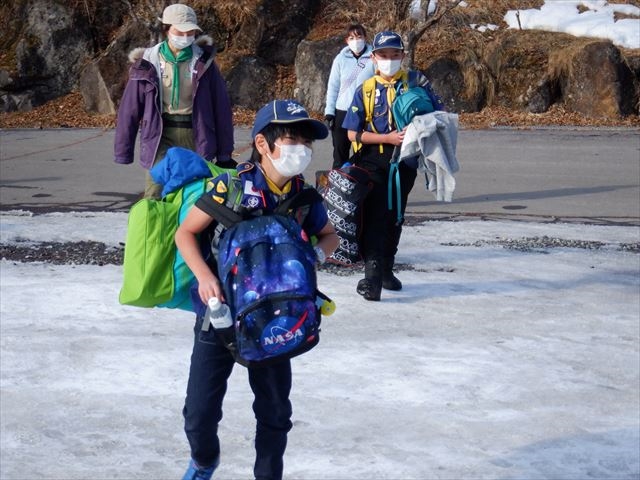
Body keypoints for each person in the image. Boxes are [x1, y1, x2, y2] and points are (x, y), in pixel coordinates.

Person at [174, 99, 339, 480]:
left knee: (275, 414)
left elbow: (329, 236)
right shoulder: (229, 188)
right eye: (291, 139)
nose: (301, 149)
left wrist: (316, 253)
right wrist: (204, 276)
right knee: (198, 415)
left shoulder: (304, 198)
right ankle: (203, 460)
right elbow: (185, 233)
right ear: (262, 143)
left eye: (306, 141)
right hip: (219, 317)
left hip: (276, 320)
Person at [342, 30, 444, 301]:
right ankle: (372, 277)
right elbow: (352, 133)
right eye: (383, 55)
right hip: (372, 159)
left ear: (403, 56)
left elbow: (439, 116)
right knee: (375, 214)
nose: (389, 60)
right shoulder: (365, 89)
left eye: (394, 55)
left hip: (405, 161)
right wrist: (385, 137)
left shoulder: (415, 84)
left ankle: (387, 269)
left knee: (395, 214)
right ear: (373, 57)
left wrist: (420, 124)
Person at [114, 3, 234, 199]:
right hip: (160, 134)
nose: (185, 37)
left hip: (197, 135)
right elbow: (130, 109)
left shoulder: (205, 63)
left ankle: (189, 231)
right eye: (180, 32)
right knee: (155, 191)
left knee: (196, 194)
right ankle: (153, 228)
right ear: (166, 29)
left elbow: (221, 110)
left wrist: (224, 154)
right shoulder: (147, 63)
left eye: (191, 33)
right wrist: (123, 150)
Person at [324, 23, 375, 169]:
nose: (356, 40)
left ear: (365, 37)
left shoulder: (373, 58)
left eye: (359, 36)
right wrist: (329, 112)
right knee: (340, 152)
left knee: (363, 153)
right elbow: (333, 87)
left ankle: (361, 185)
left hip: (365, 111)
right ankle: (338, 185)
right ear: (347, 40)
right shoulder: (340, 59)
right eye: (352, 37)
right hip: (342, 110)